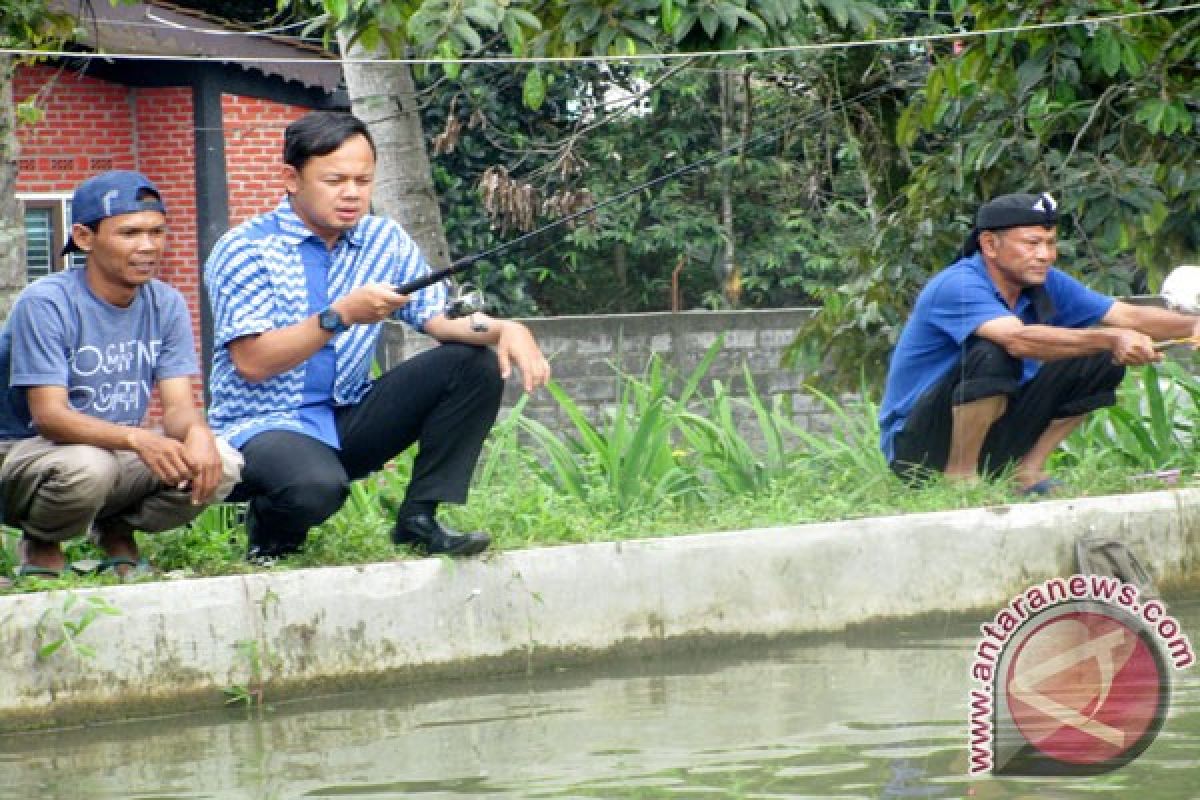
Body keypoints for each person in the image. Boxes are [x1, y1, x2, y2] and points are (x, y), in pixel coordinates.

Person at [204, 111, 551, 562]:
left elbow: (437, 318)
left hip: (346, 416)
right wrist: (341, 315)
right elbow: (252, 362)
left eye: (363, 180)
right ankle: (268, 535)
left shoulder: (383, 238)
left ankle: (419, 519)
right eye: (335, 180)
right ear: (291, 178)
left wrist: (506, 328)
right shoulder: (245, 249)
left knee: (471, 363)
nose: (351, 194)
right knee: (317, 487)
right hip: (262, 424)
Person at [0, 171, 243, 579]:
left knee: (222, 462)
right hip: (20, 455)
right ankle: (41, 542)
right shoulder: (47, 302)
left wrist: (198, 435)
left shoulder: (165, 303)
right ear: (84, 237)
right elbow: (50, 417)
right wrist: (137, 438)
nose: (147, 246)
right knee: (88, 467)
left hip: (108, 452)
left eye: (157, 232)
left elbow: (179, 406)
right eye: (129, 233)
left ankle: (115, 530)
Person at [879, 191, 1200, 494]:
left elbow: (1128, 317)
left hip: (994, 431)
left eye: (1050, 243)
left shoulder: (1044, 281)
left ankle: (1025, 471)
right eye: (1032, 243)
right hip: (917, 446)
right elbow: (1018, 340)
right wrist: (1111, 337)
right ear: (990, 245)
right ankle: (960, 477)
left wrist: (1195, 325)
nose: (1045, 255)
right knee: (995, 352)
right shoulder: (957, 285)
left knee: (1100, 358)